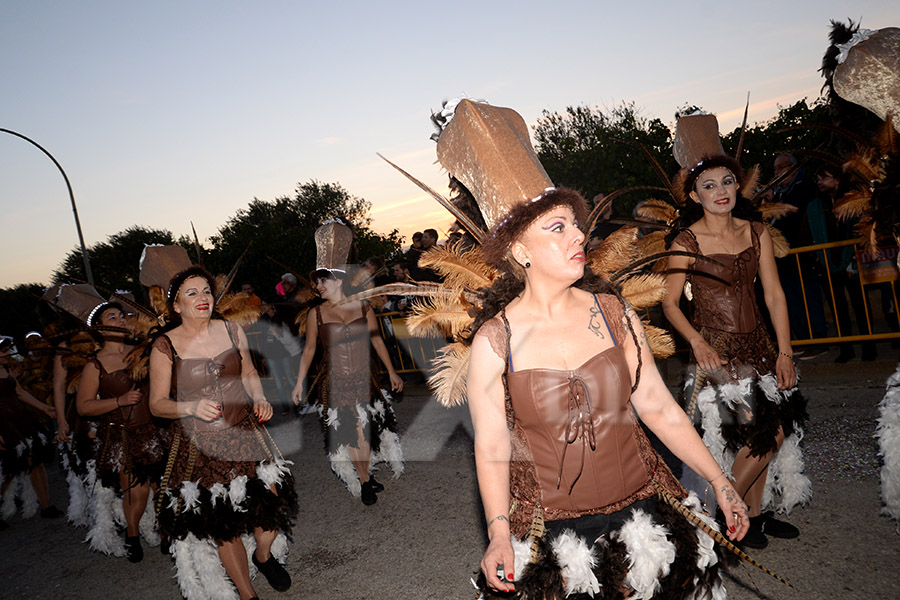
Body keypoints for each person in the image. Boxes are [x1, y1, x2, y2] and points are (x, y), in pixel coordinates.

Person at [431, 99, 747, 598]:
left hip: (641, 510)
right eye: (557, 228)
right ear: (519, 250)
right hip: (553, 530)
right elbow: (491, 448)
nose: (578, 234)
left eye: (575, 224)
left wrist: (719, 481)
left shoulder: (613, 312)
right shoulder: (496, 340)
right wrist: (496, 533)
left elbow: (659, 409)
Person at [663, 114, 810, 550]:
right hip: (718, 351)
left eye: (727, 182)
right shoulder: (684, 242)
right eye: (708, 185)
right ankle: (726, 514)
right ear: (694, 195)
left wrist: (785, 352)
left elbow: (775, 296)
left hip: (763, 347)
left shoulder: (757, 231)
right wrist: (698, 341)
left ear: (737, 187)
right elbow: (670, 303)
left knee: (769, 430)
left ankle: (755, 516)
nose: (720, 191)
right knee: (760, 431)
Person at [149, 266, 297, 600]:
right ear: (175, 305)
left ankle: (262, 555)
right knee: (225, 526)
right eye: (192, 293)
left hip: (244, 433)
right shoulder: (164, 346)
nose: (202, 298)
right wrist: (188, 407)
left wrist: (259, 398)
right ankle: (247, 595)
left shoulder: (232, 330)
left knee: (269, 510)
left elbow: (248, 372)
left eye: (206, 291)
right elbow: (157, 404)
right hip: (201, 446)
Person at [291, 221, 404, 506]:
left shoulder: (364, 307)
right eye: (316, 282)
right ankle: (365, 481)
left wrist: (392, 372)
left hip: (366, 377)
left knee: (368, 426)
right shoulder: (315, 315)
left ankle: (366, 474)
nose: (317, 287)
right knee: (352, 429)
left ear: (338, 280)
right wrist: (298, 383)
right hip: (336, 381)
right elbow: (309, 351)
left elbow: (378, 341)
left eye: (322, 281)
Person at [76, 302, 167, 561]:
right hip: (123, 436)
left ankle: (165, 534)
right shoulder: (94, 365)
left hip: (155, 431)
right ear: (99, 328)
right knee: (137, 494)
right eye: (111, 316)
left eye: (121, 316)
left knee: (162, 488)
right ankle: (133, 533)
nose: (119, 320)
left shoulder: (142, 351)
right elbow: (83, 406)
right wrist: (119, 401)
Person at [813, 164, 876, 362]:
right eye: (818, 178)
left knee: (860, 306)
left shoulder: (854, 200)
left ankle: (869, 347)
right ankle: (846, 349)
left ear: (838, 179)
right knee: (838, 308)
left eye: (824, 177)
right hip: (828, 263)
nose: (820, 182)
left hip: (853, 261)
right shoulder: (816, 205)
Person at [770, 153, 829, 359]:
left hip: (801, 254)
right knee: (792, 299)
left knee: (809, 297)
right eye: (775, 169)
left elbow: (791, 217)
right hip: (784, 257)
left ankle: (819, 340)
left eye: (780, 168)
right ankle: (803, 338)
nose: (776, 173)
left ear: (793, 168)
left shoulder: (803, 187)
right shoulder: (780, 192)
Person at [0, 335, 61, 528]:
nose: (8, 354)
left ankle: (46, 506)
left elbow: (20, 393)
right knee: (7, 471)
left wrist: (45, 408)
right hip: (4, 427)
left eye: (8, 350)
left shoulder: (4, 369)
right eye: (4, 351)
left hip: (22, 421)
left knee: (36, 462)